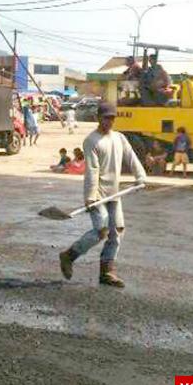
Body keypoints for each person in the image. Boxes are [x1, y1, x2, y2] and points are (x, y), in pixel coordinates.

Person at [58, 102, 146, 288]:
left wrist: (141, 176)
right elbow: (92, 169)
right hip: (97, 193)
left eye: (112, 118)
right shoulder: (91, 140)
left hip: (114, 193)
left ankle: (107, 272)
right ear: (98, 117)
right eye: (106, 117)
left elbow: (131, 157)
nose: (110, 121)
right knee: (101, 231)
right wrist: (90, 196)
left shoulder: (119, 138)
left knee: (117, 231)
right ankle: (69, 255)